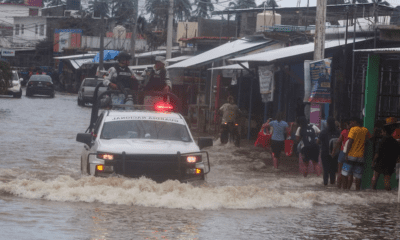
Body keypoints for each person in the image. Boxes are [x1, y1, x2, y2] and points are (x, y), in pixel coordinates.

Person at [341, 117, 372, 191]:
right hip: (360, 157)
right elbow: (369, 138)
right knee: (358, 176)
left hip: (351, 155)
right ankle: (357, 191)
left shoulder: (353, 129)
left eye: (352, 122)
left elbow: (350, 142)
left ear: (355, 122)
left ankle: (345, 190)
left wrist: (346, 154)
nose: (351, 124)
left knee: (344, 173)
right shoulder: (365, 130)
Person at [371, 123, 400, 191]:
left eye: (382, 131)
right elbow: (398, 154)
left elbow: (377, 153)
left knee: (375, 177)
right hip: (390, 163)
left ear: (385, 132)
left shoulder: (381, 141)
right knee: (387, 180)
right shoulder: (395, 142)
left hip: (380, 162)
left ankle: (372, 192)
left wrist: (373, 161)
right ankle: (388, 194)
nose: (381, 133)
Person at [318, 116, 340, 186]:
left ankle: (325, 184)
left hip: (325, 153)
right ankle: (332, 184)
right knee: (333, 169)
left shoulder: (324, 131)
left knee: (325, 169)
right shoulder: (338, 132)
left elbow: (318, 141)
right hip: (335, 153)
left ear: (327, 123)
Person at [332, 119, 351, 189]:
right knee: (346, 172)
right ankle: (345, 187)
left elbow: (338, 142)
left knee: (340, 171)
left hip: (342, 153)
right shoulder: (353, 133)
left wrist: (333, 151)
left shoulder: (344, 132)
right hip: (349, 154)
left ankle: (338, 187)